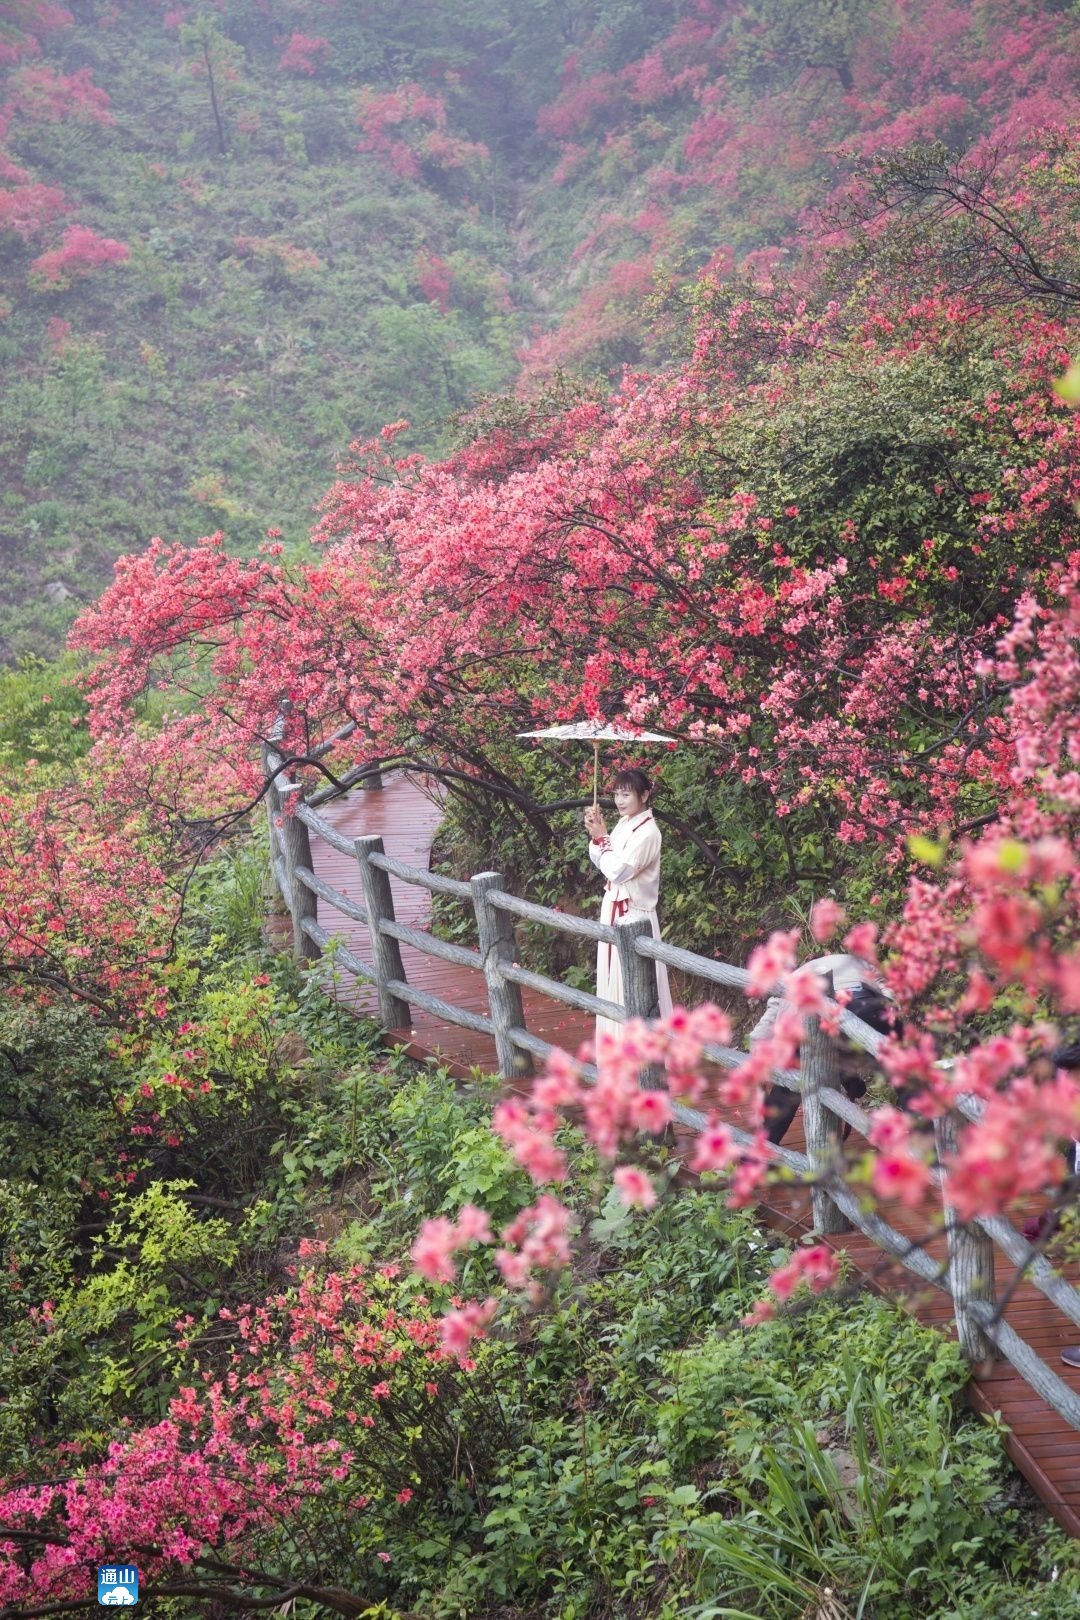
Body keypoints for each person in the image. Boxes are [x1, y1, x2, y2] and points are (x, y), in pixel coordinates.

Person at [749, 953, 899, 1145]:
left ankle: (758, 1153)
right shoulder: (859, 963)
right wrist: (889, 1009)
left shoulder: (791, 981)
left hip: (807, 1023)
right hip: (859, 1004)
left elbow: (760, 1035)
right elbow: (886, 991)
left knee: (788, 1087)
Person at [584, 768, 673, 1041]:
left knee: (637, 984)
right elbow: (600, 859)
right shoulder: (625, 823)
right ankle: (615, 1050)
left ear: (645, 795)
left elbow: (620, 871)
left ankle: (644, 1054)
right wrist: (598, 836)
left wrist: (603, 839)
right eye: (617, 794)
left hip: (635, 914)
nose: (620, 800)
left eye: (627, 794)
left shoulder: (648, 833)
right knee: (613, 980)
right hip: (613, 907)